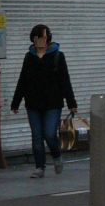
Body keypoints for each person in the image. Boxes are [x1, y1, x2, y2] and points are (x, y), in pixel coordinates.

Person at [11, 24, 78, 179]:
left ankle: (56, 155)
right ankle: (39, 167)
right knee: (36, 136)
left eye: (43, 37)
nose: (40, 40)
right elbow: (23, 80)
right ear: (33, 39)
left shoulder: (58, 56)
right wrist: (16, 102)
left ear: (48, 38)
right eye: (38, 37)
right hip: (32, 102)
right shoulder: (29, 57)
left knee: (49, 134)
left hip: (53, 103)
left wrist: (71, 103)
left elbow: (64, 80)